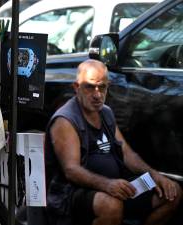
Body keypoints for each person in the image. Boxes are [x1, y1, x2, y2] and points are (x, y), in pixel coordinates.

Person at [45, 59, 182, 225]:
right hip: (74, 192)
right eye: (90, 87)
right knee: (111, 206)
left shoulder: (106, 113)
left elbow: (126, 153)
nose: (97, 94)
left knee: (172, 193)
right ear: (76, 87)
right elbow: (71, 171)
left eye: (102, 87)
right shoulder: (66, 120)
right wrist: (108, 185)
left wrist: (154, 175)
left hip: (116, 185)